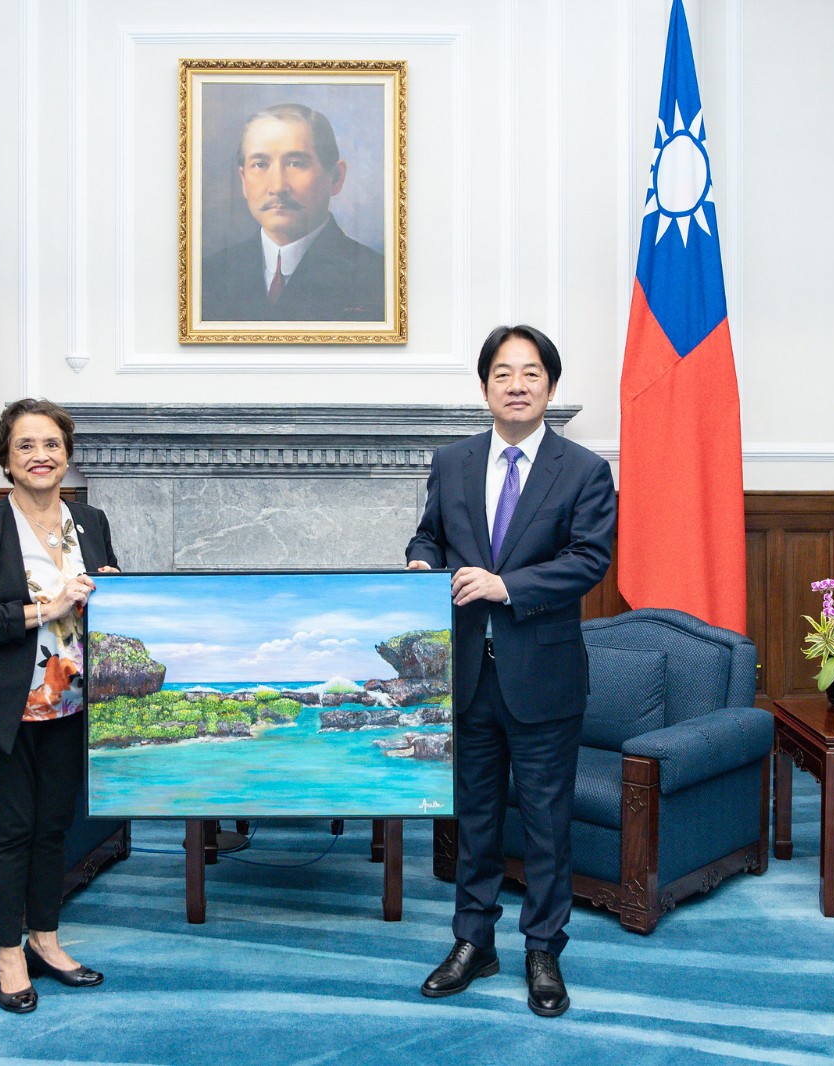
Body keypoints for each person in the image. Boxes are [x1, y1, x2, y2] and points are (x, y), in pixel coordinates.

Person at [405, 325, 615, 1018]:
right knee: (476, 819)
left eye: (530, 373)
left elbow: (589, 559)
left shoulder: (583, 470)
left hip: (544, 675)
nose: (516, 385)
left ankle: (543, 950)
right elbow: (430, 535)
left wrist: (506, 586)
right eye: (503, 373)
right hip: (467, 674)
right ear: (485, 385)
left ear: (549, 386)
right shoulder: (453, 462)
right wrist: (419, 561)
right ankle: (474, 941)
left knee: (548, 823)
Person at [0, 397, 120, 1015]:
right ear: (7, 460)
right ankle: (9, 952)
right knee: (12, 828)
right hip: (3, 707)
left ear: (67, 456)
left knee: (53, 826)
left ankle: (46, 938)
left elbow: (102, 601)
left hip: (72, 704)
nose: (40, 456)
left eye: (51, 444)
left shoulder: (90, 521)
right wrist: (50, 606)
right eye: (26, 446)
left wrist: (110, 591)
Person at [201, 102, 385, 322]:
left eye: (296, 163)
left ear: (336, 178)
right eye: (260, 164)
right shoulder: (207, 276)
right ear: (243, 180)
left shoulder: (378, 278)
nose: (278, 187)